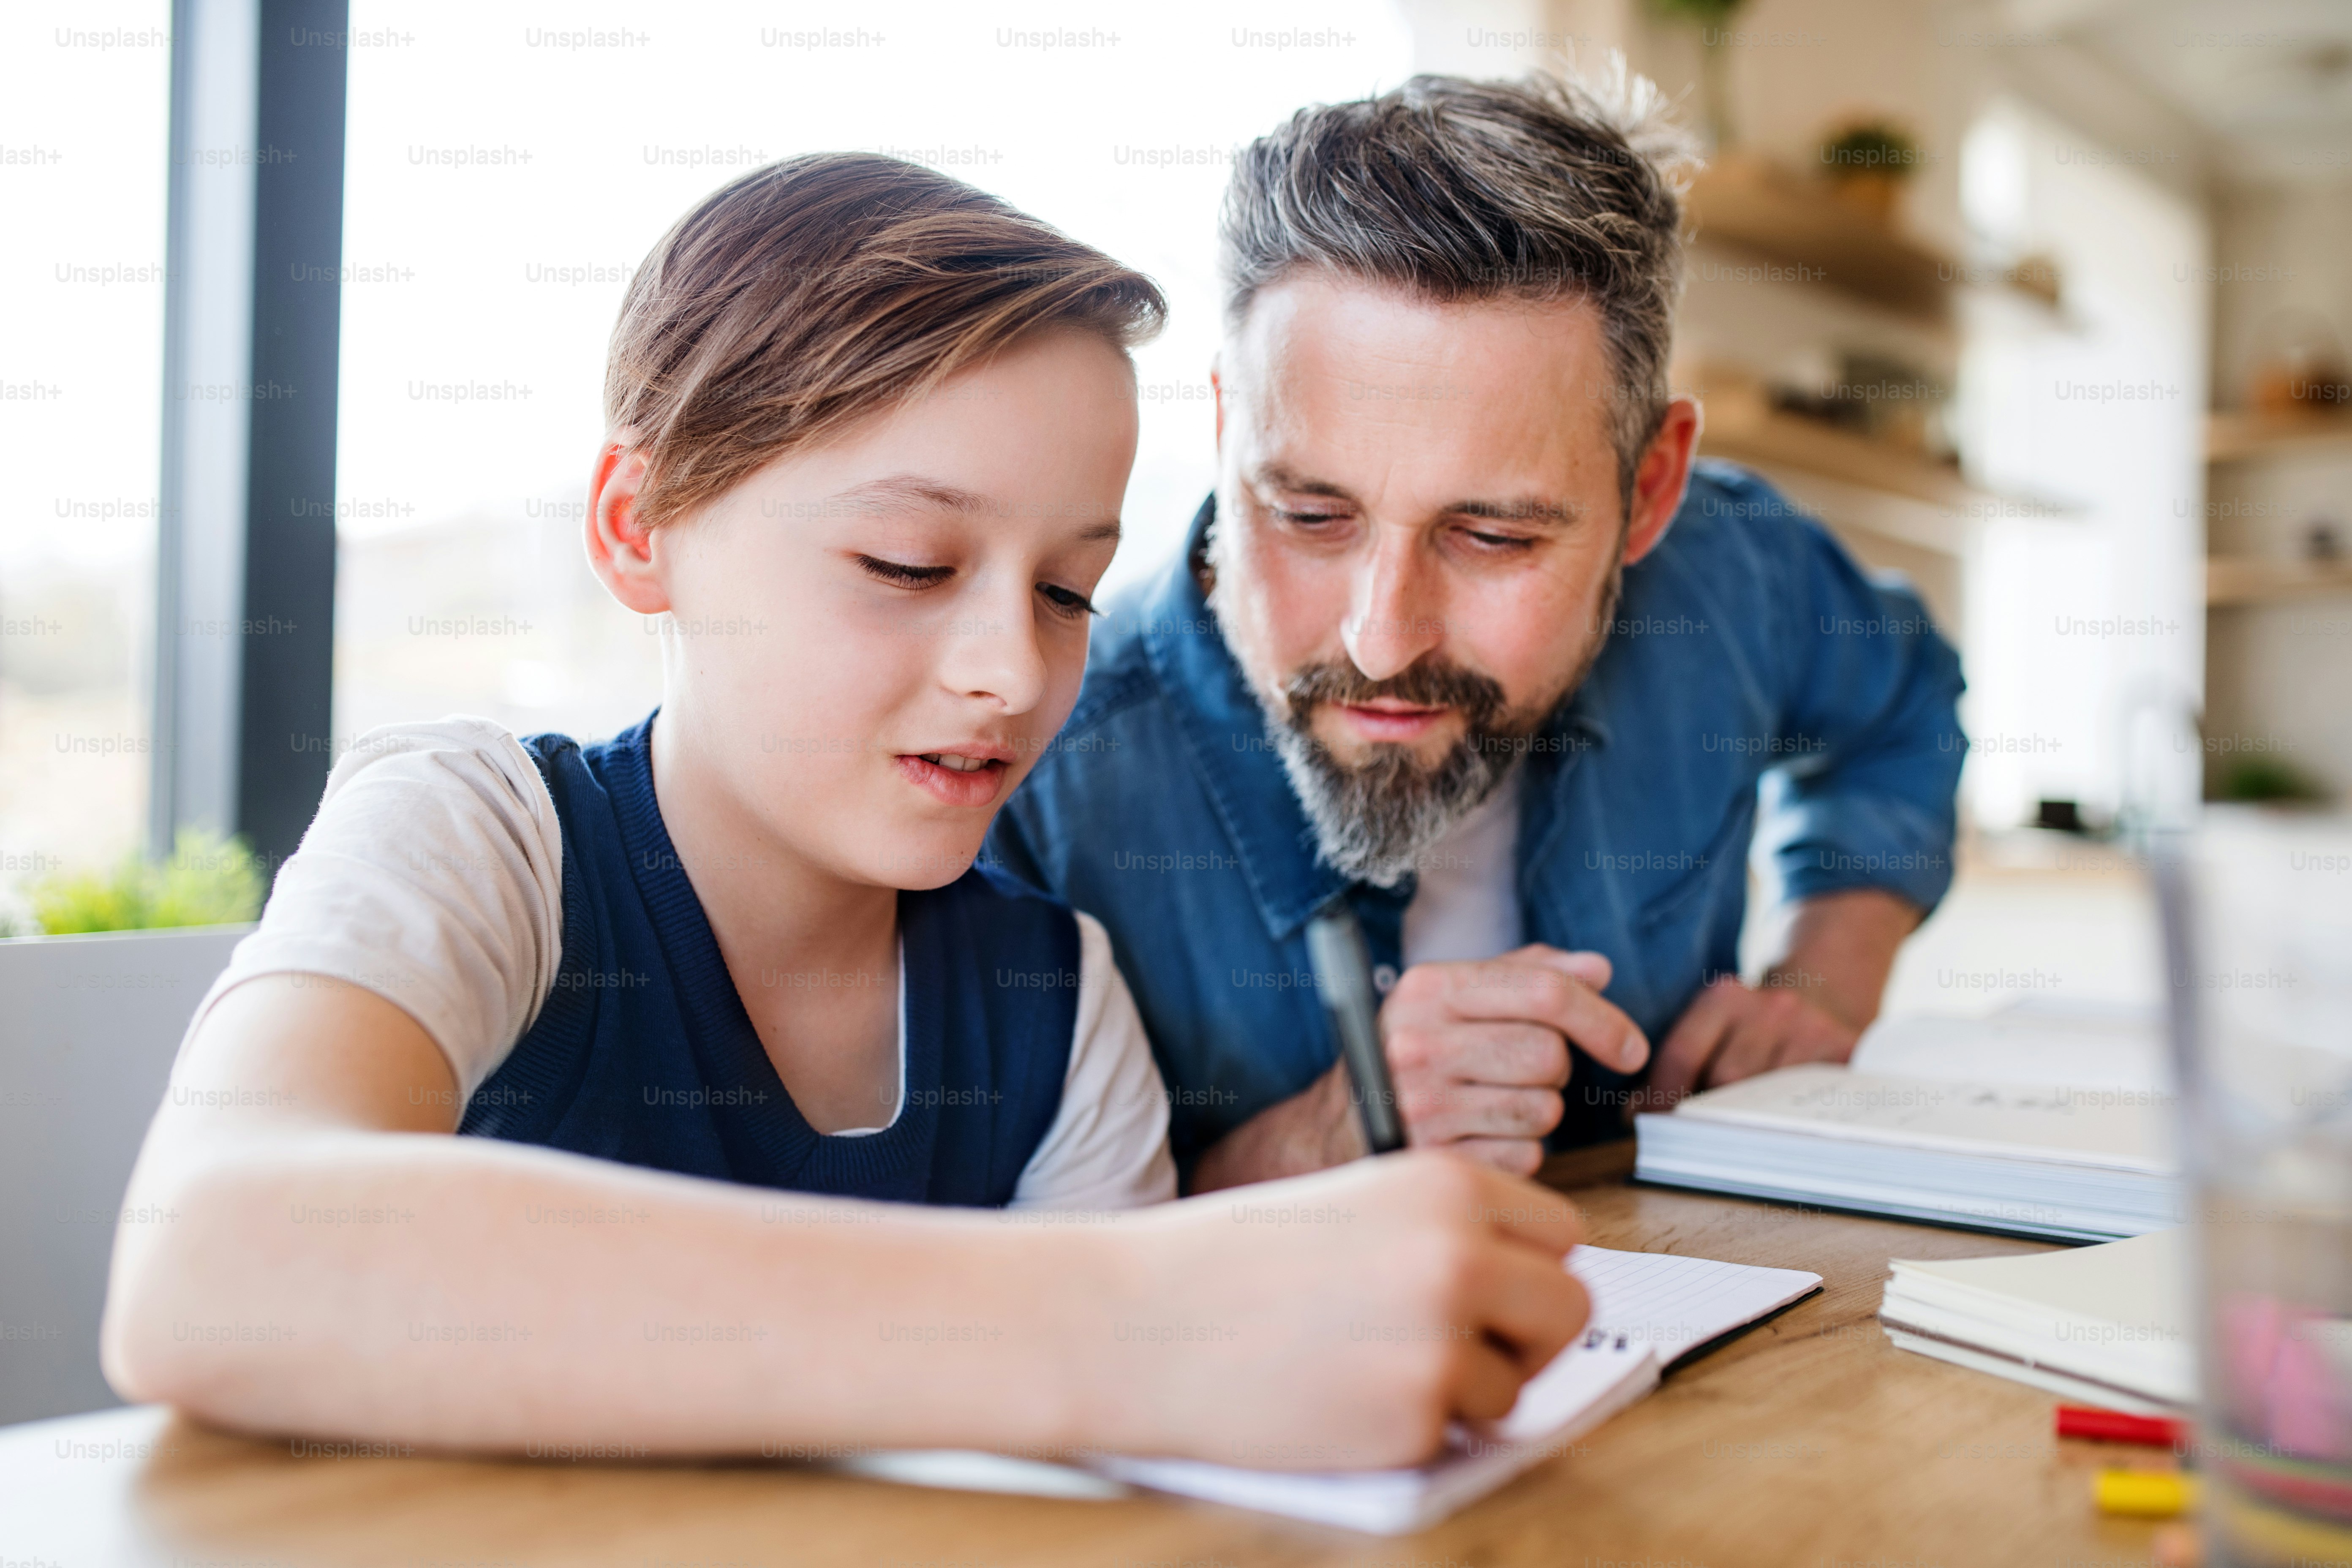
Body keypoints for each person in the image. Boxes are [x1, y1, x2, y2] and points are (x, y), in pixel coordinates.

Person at [101, 153, 1590, 1468]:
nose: (1014, 672)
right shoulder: (481, 838)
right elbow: (214, 1263)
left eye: (1069, 589)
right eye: (906, 566)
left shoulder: (1056, 1010)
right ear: (640, 527)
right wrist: (1139, 1317)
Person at [988, 71, 1967, 1190]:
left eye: (1493, 537)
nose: (1381, 641)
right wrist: (1321, 1141)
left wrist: (1824, 979)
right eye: (1311, 516)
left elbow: (1903, 707)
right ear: (1225, 432)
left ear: (1649, 490)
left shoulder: (1732, 572)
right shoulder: (1034, 770)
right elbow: (1011, 1270)